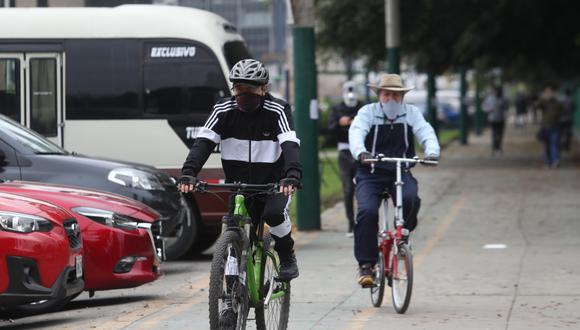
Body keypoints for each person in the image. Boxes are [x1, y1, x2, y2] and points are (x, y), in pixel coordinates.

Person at [177, 59, 302, 282]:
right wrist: (189, 172)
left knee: (274, 215)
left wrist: (291, 176)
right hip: (239, 184)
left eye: (250, 88)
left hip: (273, 184)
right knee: (233, 225)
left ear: (264, 89)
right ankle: (231, 288)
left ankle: (286, 256)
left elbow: (290, 144)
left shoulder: (278, 109)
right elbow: (203, 142)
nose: (244, 93)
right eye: (239, 88)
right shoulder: (223, 109)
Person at [349, 74, 440, 287]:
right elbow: (356, 132)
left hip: (399, 170)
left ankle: (403, 234)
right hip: (370, 172)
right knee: (367, 212)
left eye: (396, 95)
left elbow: (425, 131)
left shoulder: (411, 113)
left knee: (410, 199)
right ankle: (366, 265)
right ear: (379, 95)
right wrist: (361, 152)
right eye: (387, 94)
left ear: (402, 97)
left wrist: (432, 152)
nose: (391, 99)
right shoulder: (367, 112)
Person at [327, 81, 363, 237]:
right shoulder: (337, 109)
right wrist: (339, 123)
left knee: (363, 189)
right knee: (348, 190)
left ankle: (363, 222)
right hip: (344, 151)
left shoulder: (363, 108)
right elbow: (329, 129)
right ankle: (351, 223)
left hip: (361, 152)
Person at [537, 86, 563, 168]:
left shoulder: (557, 102)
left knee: (554, 144)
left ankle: (555, 160)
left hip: (555, 126)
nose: (548, 94)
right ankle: (548, 162)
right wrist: (542, 99)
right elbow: (537, 106)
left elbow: (563, 111)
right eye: (546, 93)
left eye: (550, 93)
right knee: (547, 146)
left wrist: (557, 115)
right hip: (545, 126)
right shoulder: (543, 102)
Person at [482, 87, 509, 155]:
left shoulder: (503, 99)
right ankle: (494, 147)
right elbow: (484, 106)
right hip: (493, 119)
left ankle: (498, 147)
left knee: (500, 134)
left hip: (500, 118)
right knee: (494, 133)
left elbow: (506, 107)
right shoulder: (490, 98)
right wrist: (489, 110)